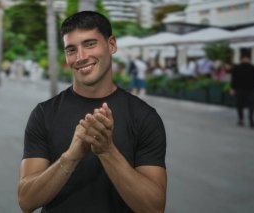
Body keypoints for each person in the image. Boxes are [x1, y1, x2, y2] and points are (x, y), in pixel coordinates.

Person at [18, 11, 167, 213]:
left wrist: (107, 151)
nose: (80, 57)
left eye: (90, 44)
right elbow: (26, 201)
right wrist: (71, 157)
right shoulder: (44, 113)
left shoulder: (144, 116)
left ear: (111, 45)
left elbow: (154, 208)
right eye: (71, 49)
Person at [230, 55, 254, 128]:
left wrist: (232, 88)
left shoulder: (237, 68)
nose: (246, 60)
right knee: (250, 104)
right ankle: (247, 119)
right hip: (249, 89)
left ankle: (243, 119)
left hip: (242, 89)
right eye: (245, 59)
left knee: (241, 105)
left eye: (246, 59)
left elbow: (234, 79)